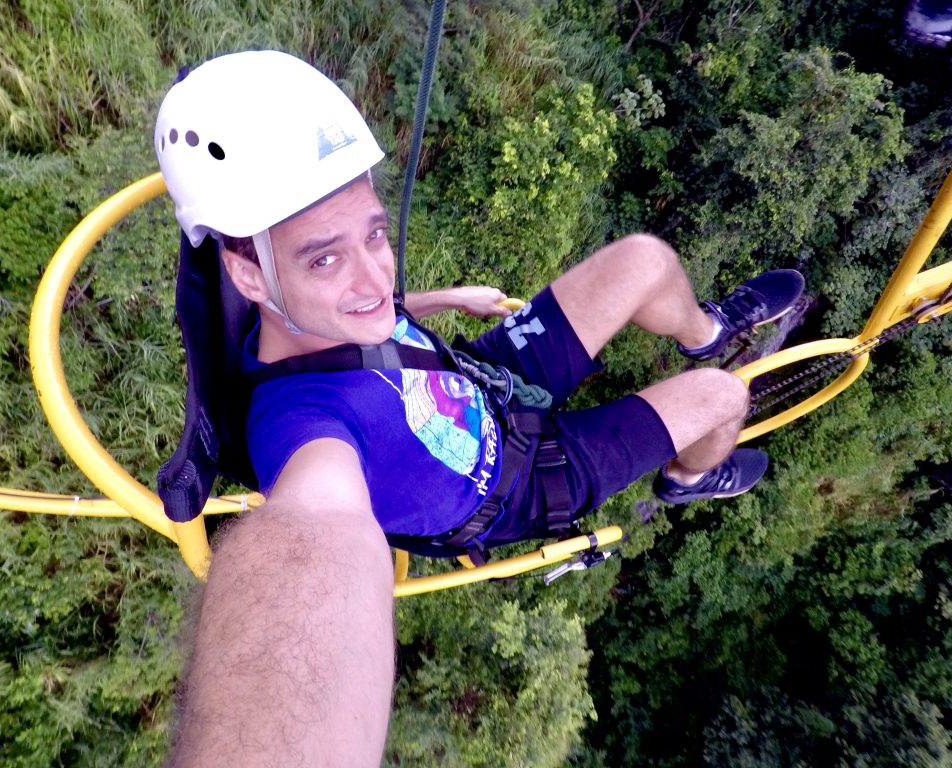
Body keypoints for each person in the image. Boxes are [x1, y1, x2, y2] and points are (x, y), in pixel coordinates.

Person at [155, 50, 803, 767]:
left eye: (374, 234)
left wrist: (444, 301)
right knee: (723, 397)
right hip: (519, 481)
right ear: (247, 272)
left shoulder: (305, 315)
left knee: (645, 260)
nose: (376, 276)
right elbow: (312, 542)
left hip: (481, 379)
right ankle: (688, 479)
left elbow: (381, 321)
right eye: (325, 259)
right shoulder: (305, 435)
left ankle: (706, 332)